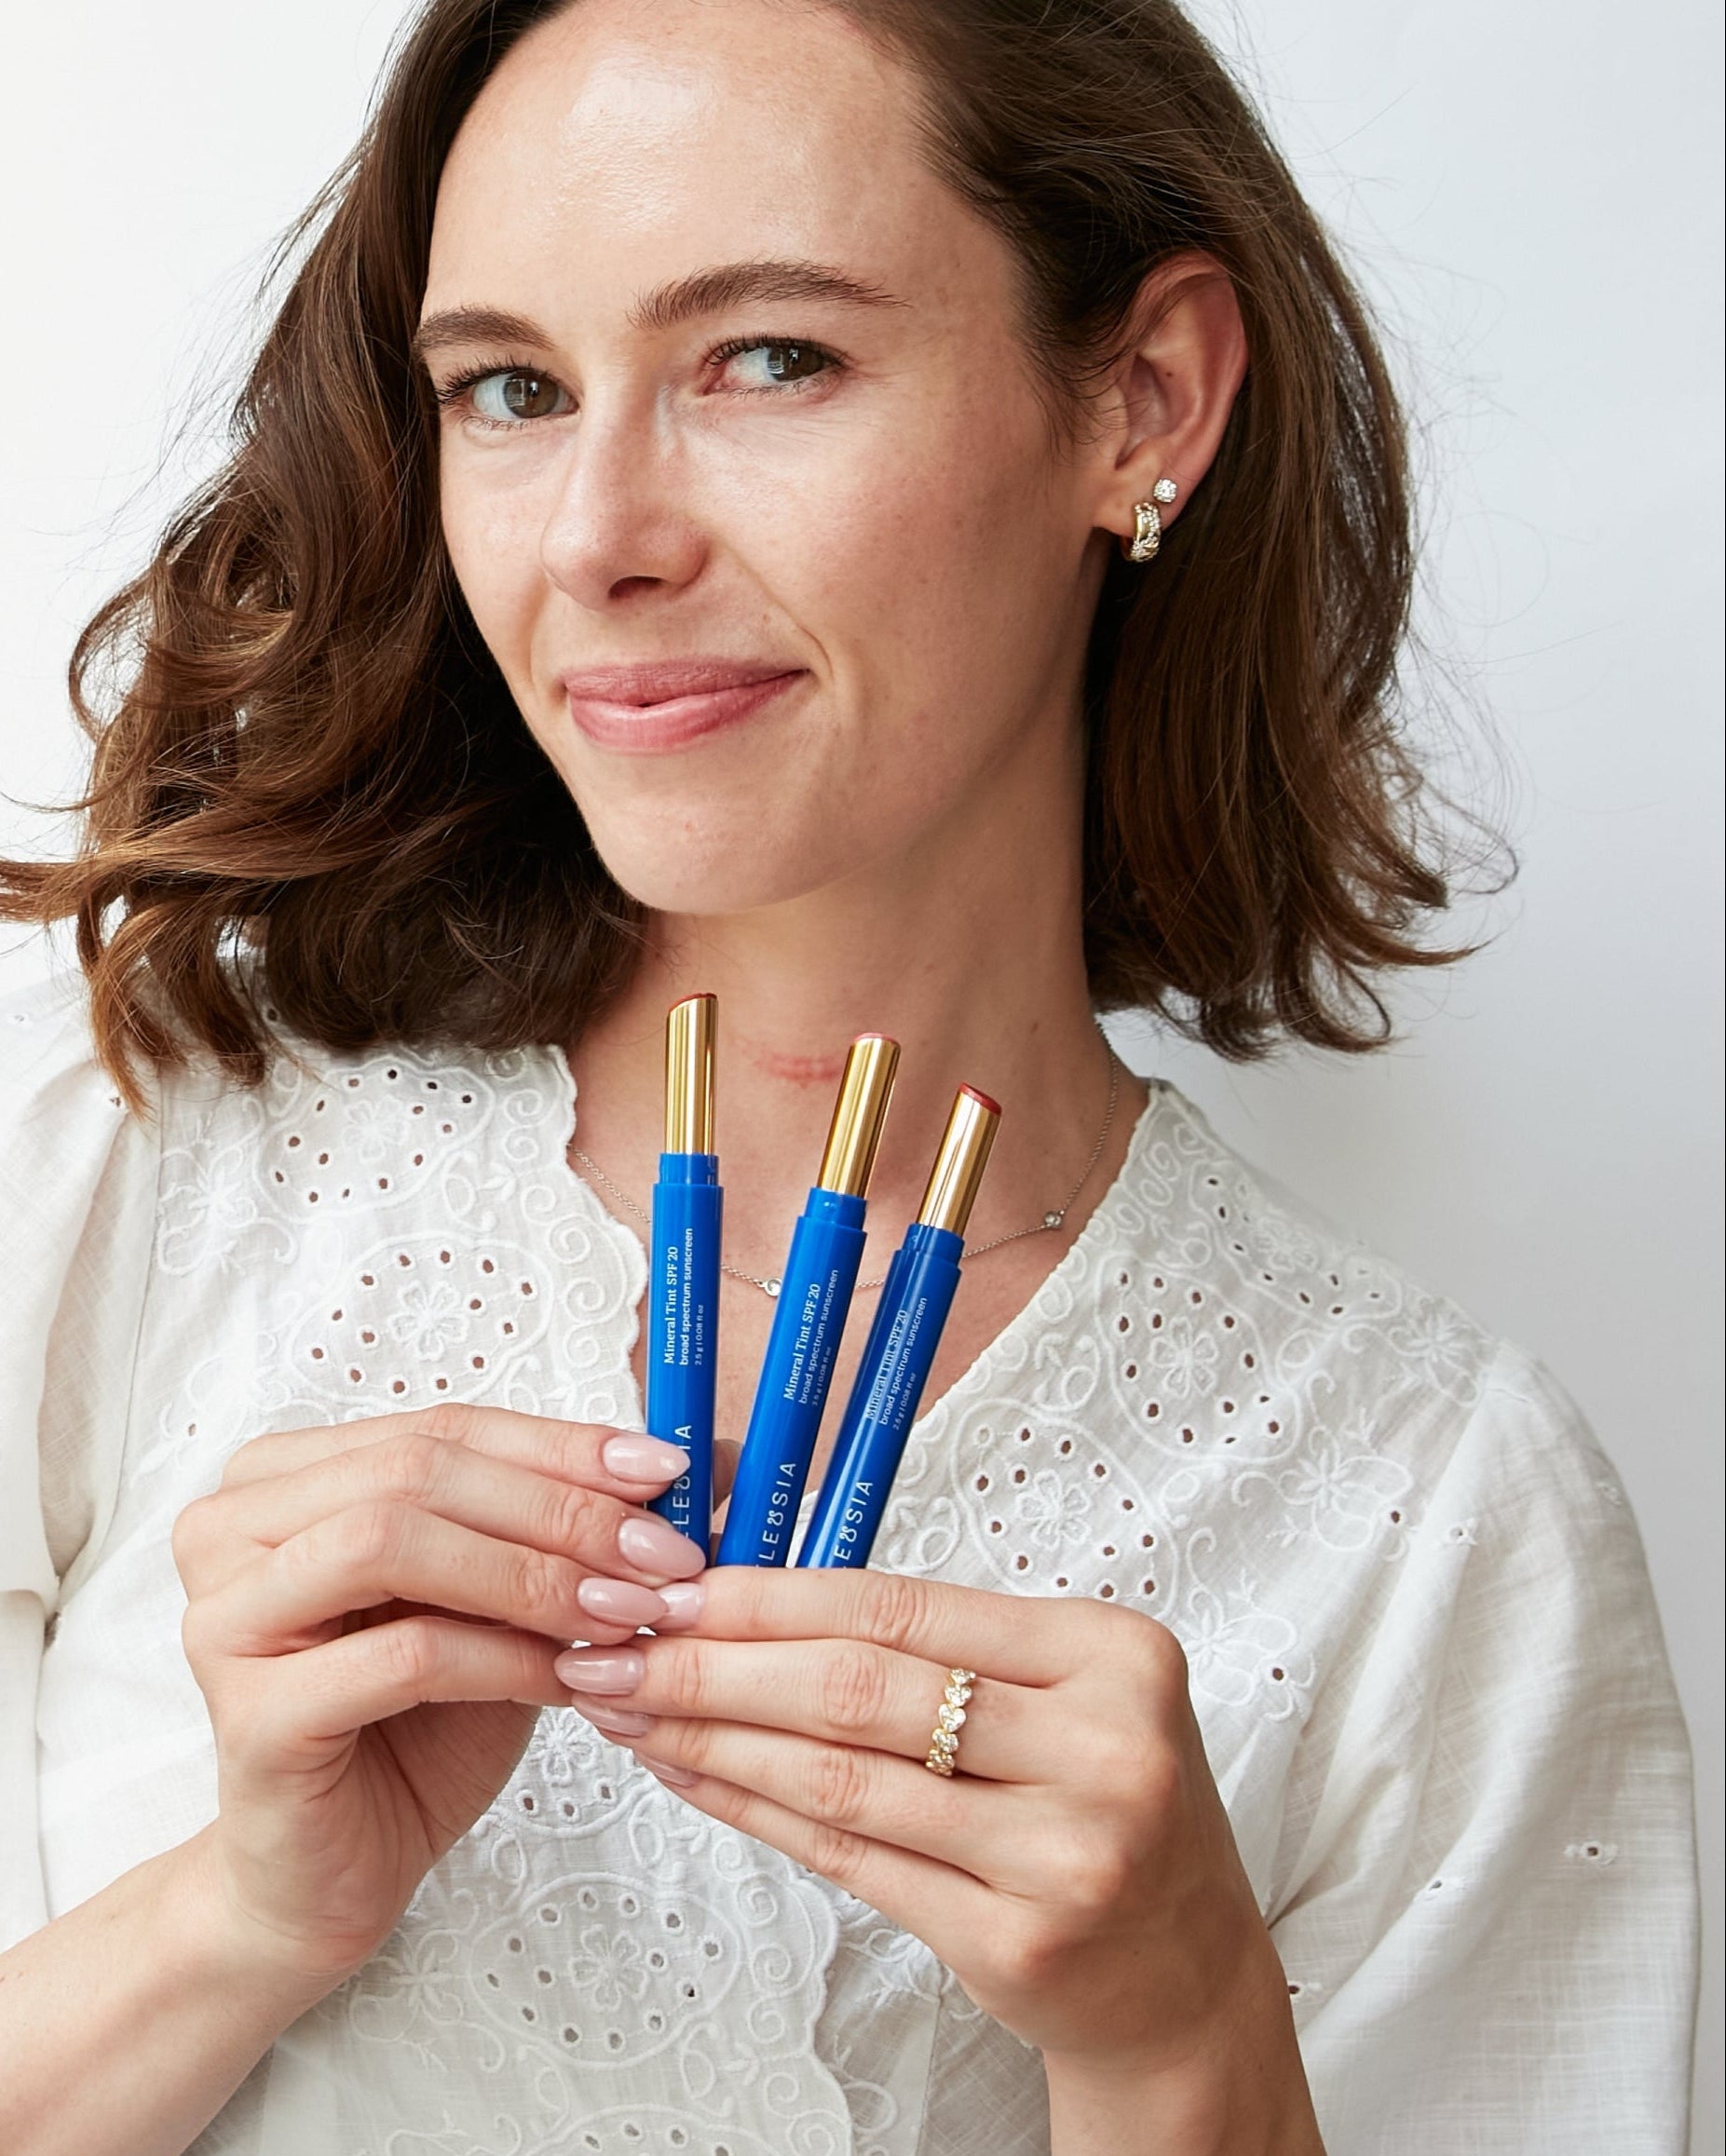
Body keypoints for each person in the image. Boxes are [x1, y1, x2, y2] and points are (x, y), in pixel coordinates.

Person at [0, 0, 1698, 2149]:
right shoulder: (131, 1132)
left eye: (769, 359)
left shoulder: (1438, 1514)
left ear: (1144, 400)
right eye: (510, 389)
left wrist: (1180, 2047)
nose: (598, 535)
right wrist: (241, 1918)